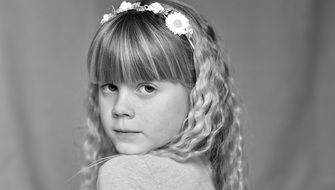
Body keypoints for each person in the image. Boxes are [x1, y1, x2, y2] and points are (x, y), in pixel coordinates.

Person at [80, 0, 247, 189]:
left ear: (196, 92)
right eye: (110, 86)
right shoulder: (202, 170)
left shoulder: (125, 172)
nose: (120, 108)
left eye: (147, 88)